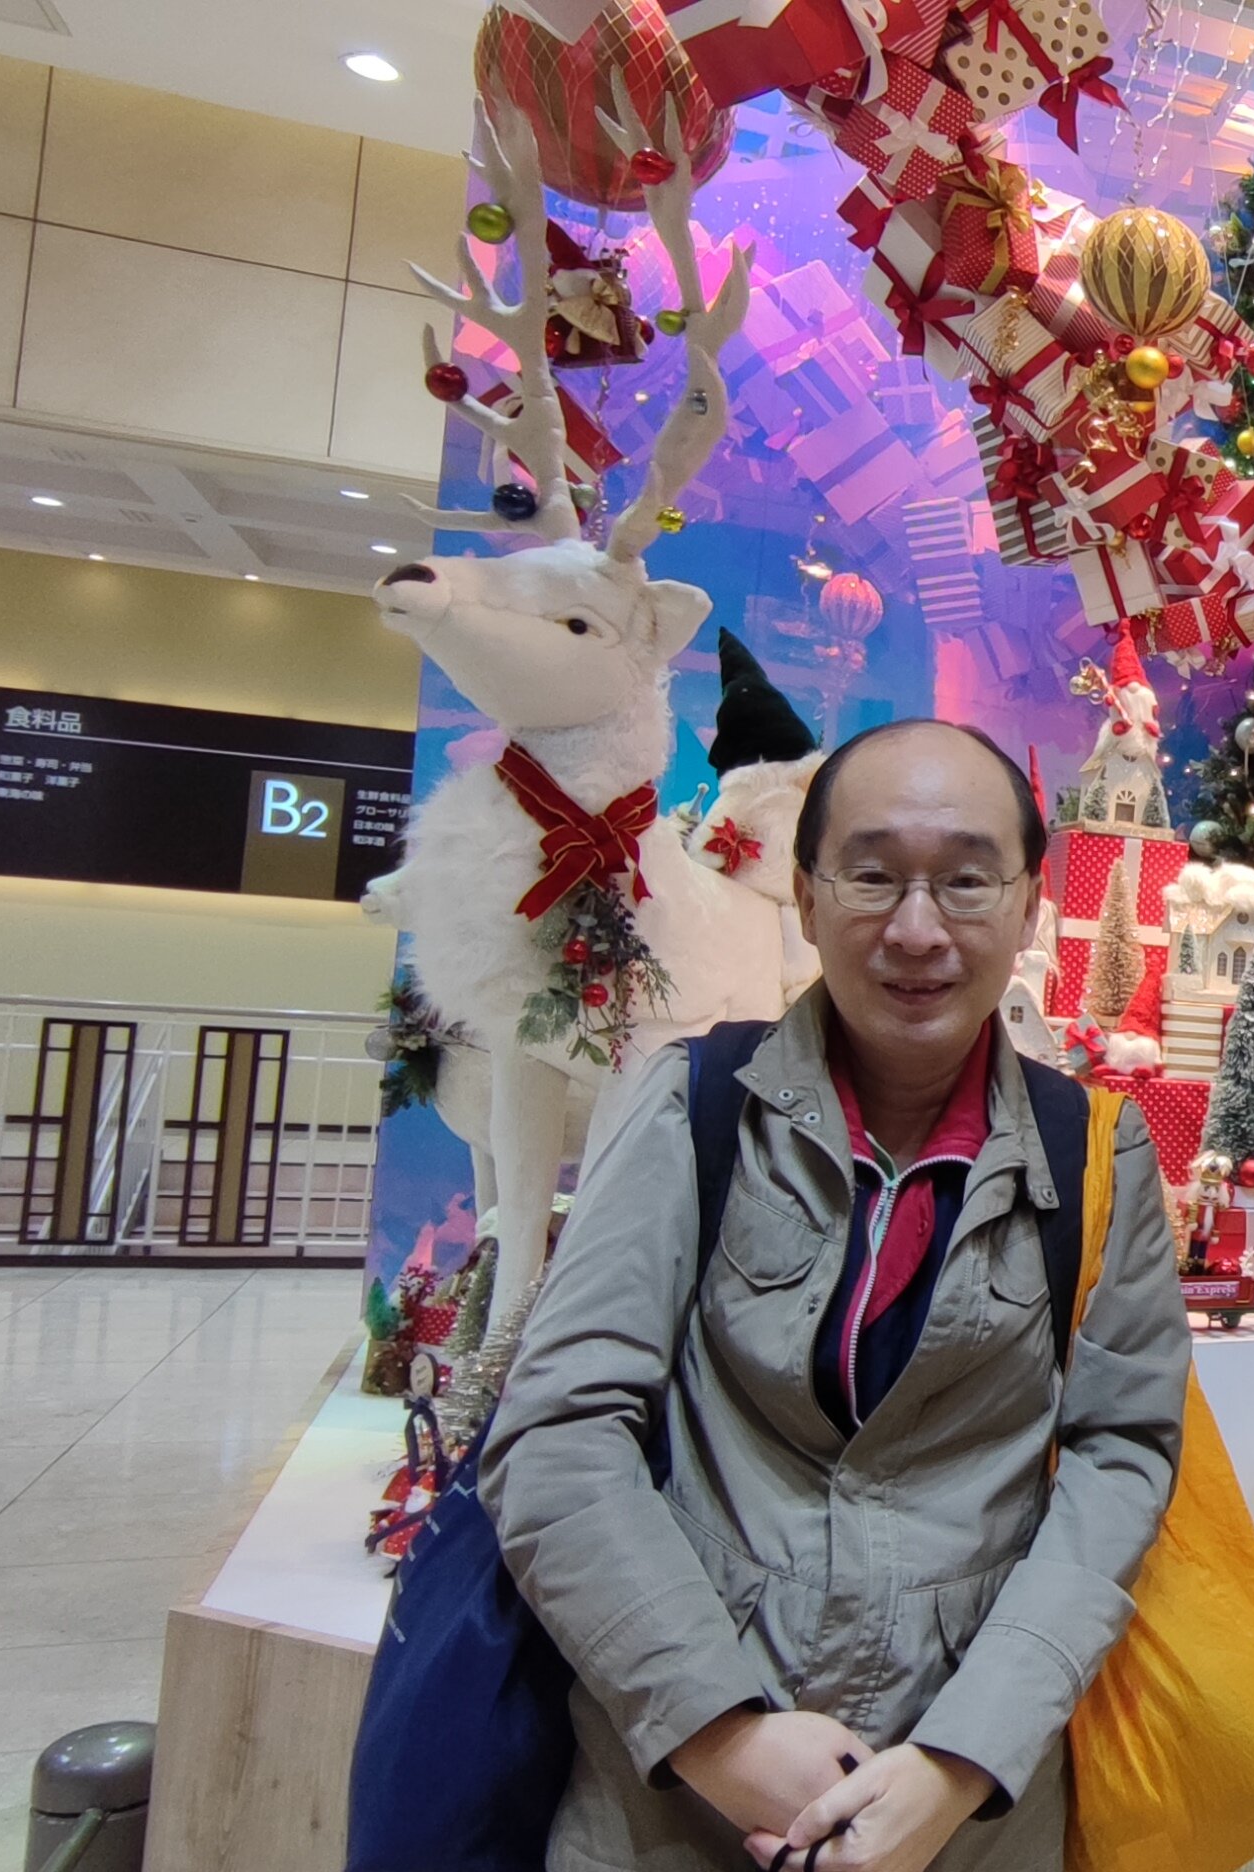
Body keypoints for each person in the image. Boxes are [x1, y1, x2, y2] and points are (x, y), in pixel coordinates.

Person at [479, 718, 1185, 1872]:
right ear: (805, 896)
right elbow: (558, 1431)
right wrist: (717, 1733)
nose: (917, 931)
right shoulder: (693, 1107)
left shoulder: (1098, 1154)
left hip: (966, 1820)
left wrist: (964, 1758)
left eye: (964, 880)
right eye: (870, 874)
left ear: (1025, 902)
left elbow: (1121, 1459)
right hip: (670, 1806)